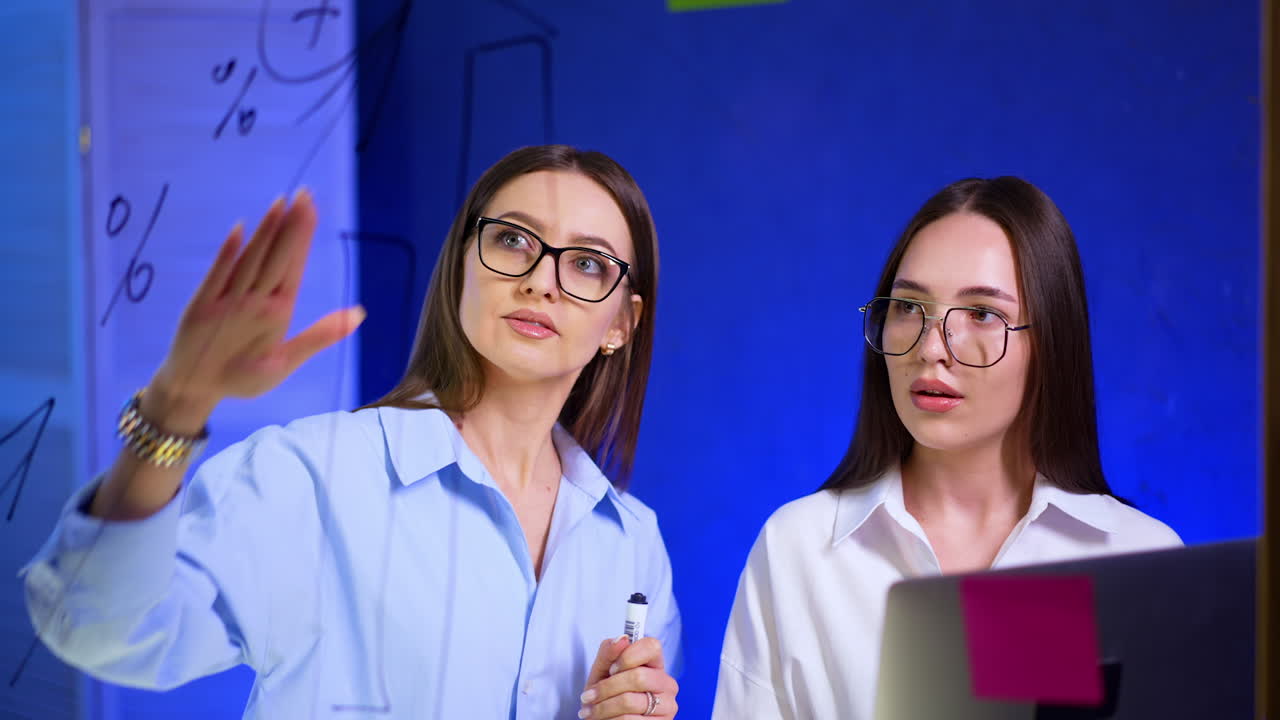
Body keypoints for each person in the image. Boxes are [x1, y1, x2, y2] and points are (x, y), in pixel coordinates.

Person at [24, 145, 681, 720]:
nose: (542, 281)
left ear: (623, 323)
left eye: (588, 264)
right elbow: (96, 629)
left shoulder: (632, 545)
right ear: (462, 267)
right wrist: (177, 405)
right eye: (513, 240)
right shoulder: (317, 476)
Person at [711, 177, 1182, 720]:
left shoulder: (1137, 560)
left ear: (1052, 341)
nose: (931, 349)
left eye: (981, 313)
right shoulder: (798, 551)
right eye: (909, 307)